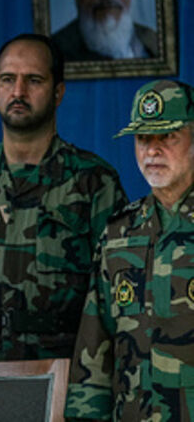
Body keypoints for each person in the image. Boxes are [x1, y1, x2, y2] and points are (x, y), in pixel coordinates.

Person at [0, 33, 128, 362]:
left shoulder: (94, 182)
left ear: (58, 92)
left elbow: (115, 301)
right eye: (8, 79)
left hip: (63, 376)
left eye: (33, 80)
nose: (18, 92)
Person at [66, 80, 194, 420]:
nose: (152, 151)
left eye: (167, 137)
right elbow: (95, 348)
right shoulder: (119, 233)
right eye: (143, 139)